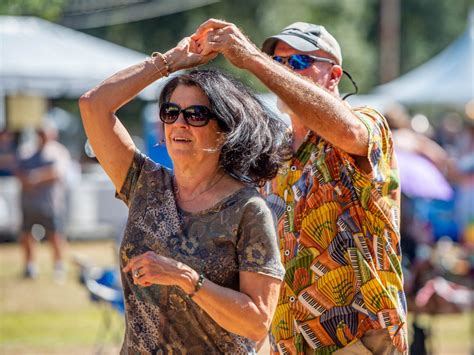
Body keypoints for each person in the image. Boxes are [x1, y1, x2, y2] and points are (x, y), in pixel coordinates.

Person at [194, 20, 408, 354]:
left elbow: (349, 133)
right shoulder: (276, 152)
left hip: (358, 340)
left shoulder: (367, 122)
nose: (284, 72)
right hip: (290, 340)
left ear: (334, 76)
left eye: (298, 63)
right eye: (278, 62)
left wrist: (252, 59)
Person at [79, 36, 290, 353]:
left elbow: (258, 321)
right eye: (171, 112)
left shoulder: (248, 209)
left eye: (195, 115)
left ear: (224, 129)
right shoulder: (144, 184)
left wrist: (187, 278)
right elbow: (93, 105)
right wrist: (169, 61)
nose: (179, 123)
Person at [17, 122, 70, 280]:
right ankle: (30, 266)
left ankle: (59, 266)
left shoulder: (58, 151)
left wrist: (35, 178)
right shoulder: (26, 150)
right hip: (29, 203)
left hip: (50, 203)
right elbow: (18, 170)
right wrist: (27, 180)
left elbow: (57, 172)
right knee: (27, 235)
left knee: (55, 235)